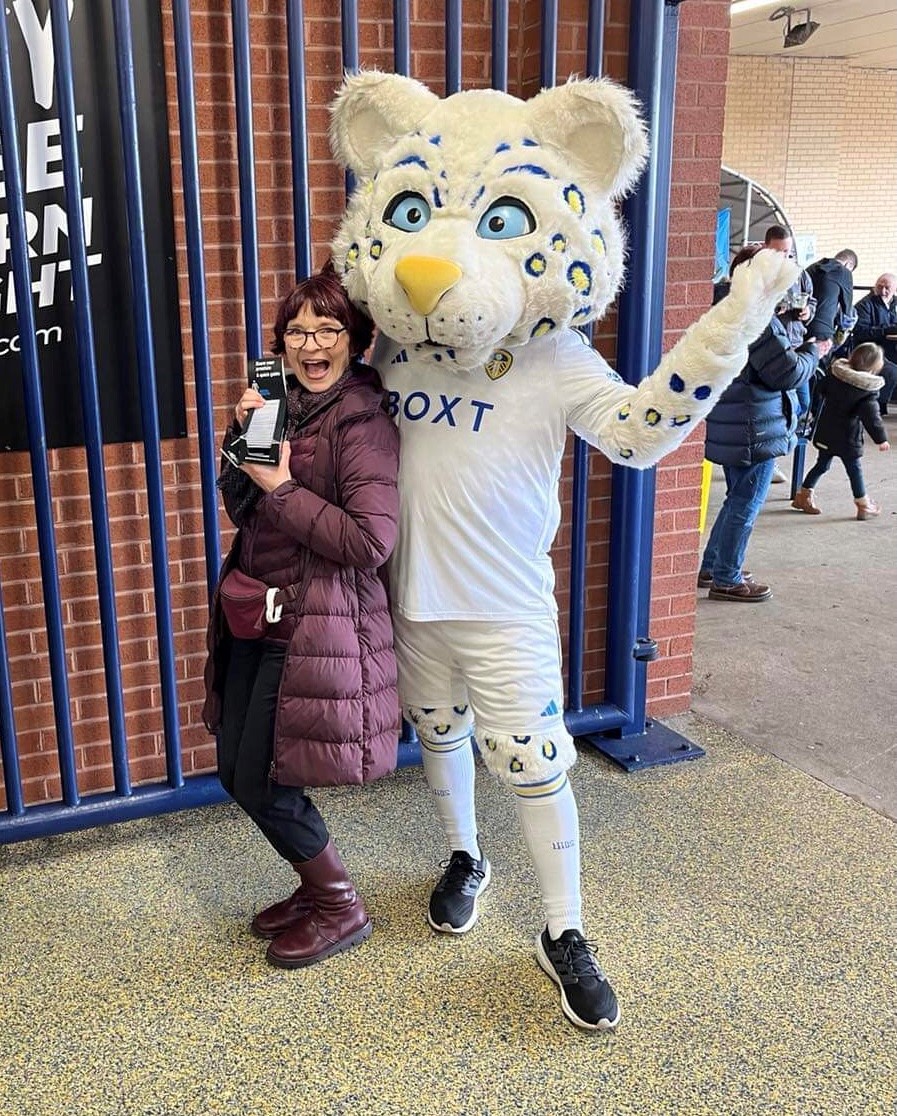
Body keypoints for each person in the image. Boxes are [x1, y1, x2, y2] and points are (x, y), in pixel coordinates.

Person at [329, 71, 797, 1031]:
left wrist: (728, 330)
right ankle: (464, 854)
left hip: (503, 605)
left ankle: (564, 929)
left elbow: (636, 434)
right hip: (404, 597)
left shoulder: (553, 358)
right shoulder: (391, 351)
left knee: (534, 759)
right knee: (441, 738)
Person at [202, 266, 401, 969]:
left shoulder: (361, 422)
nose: (310, 343)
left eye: (327, 329)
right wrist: (242, 449)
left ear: (356, 340)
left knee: (260, 776)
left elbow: (369, 541)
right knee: (236, 763)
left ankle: (339, 904)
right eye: (297, 331)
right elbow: (241, 506)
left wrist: (281, 487)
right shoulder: (284, 405)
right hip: (259, 607)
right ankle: (315, 888)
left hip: (319, 621)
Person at [700, 245, 828, 601]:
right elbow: (784, 373)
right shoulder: (753, 314)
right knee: (746, 502)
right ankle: (727, 576)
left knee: (736, 498)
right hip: (754, 424)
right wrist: (813, 351)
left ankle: (714, 565)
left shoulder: (722, 303)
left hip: (732, 420)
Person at [791, 343, 890, 519]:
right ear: (874, 367)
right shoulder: (866, 390)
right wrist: (881, 439)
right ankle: (863, 504)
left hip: (826, 432)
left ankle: (803, 496)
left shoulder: (835, 375)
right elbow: (872, 418)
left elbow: (819, 389)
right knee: (854, 470)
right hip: (848, 439)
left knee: (822, 465)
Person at [764, 224, 817, 480]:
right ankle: (770, 457)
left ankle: (781, 447)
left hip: (795, 345)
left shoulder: (799, 274)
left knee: (803, 404)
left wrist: (807, 313)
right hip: (771, 351)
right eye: (777, 252)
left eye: (787, 252)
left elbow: (811, 300)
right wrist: (774, 312)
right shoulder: (758, 275)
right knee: (777, 409)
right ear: (766, 248)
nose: (783, 258)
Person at [851, 274, 897, 416]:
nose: (883, 291)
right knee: (892, 371)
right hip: (871, 350)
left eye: (887, 288)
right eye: (880, 287)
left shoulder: (894, 304)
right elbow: (861, 332)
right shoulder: (865, 305)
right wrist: (887, 330)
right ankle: (876, 408)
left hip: (891, 347)